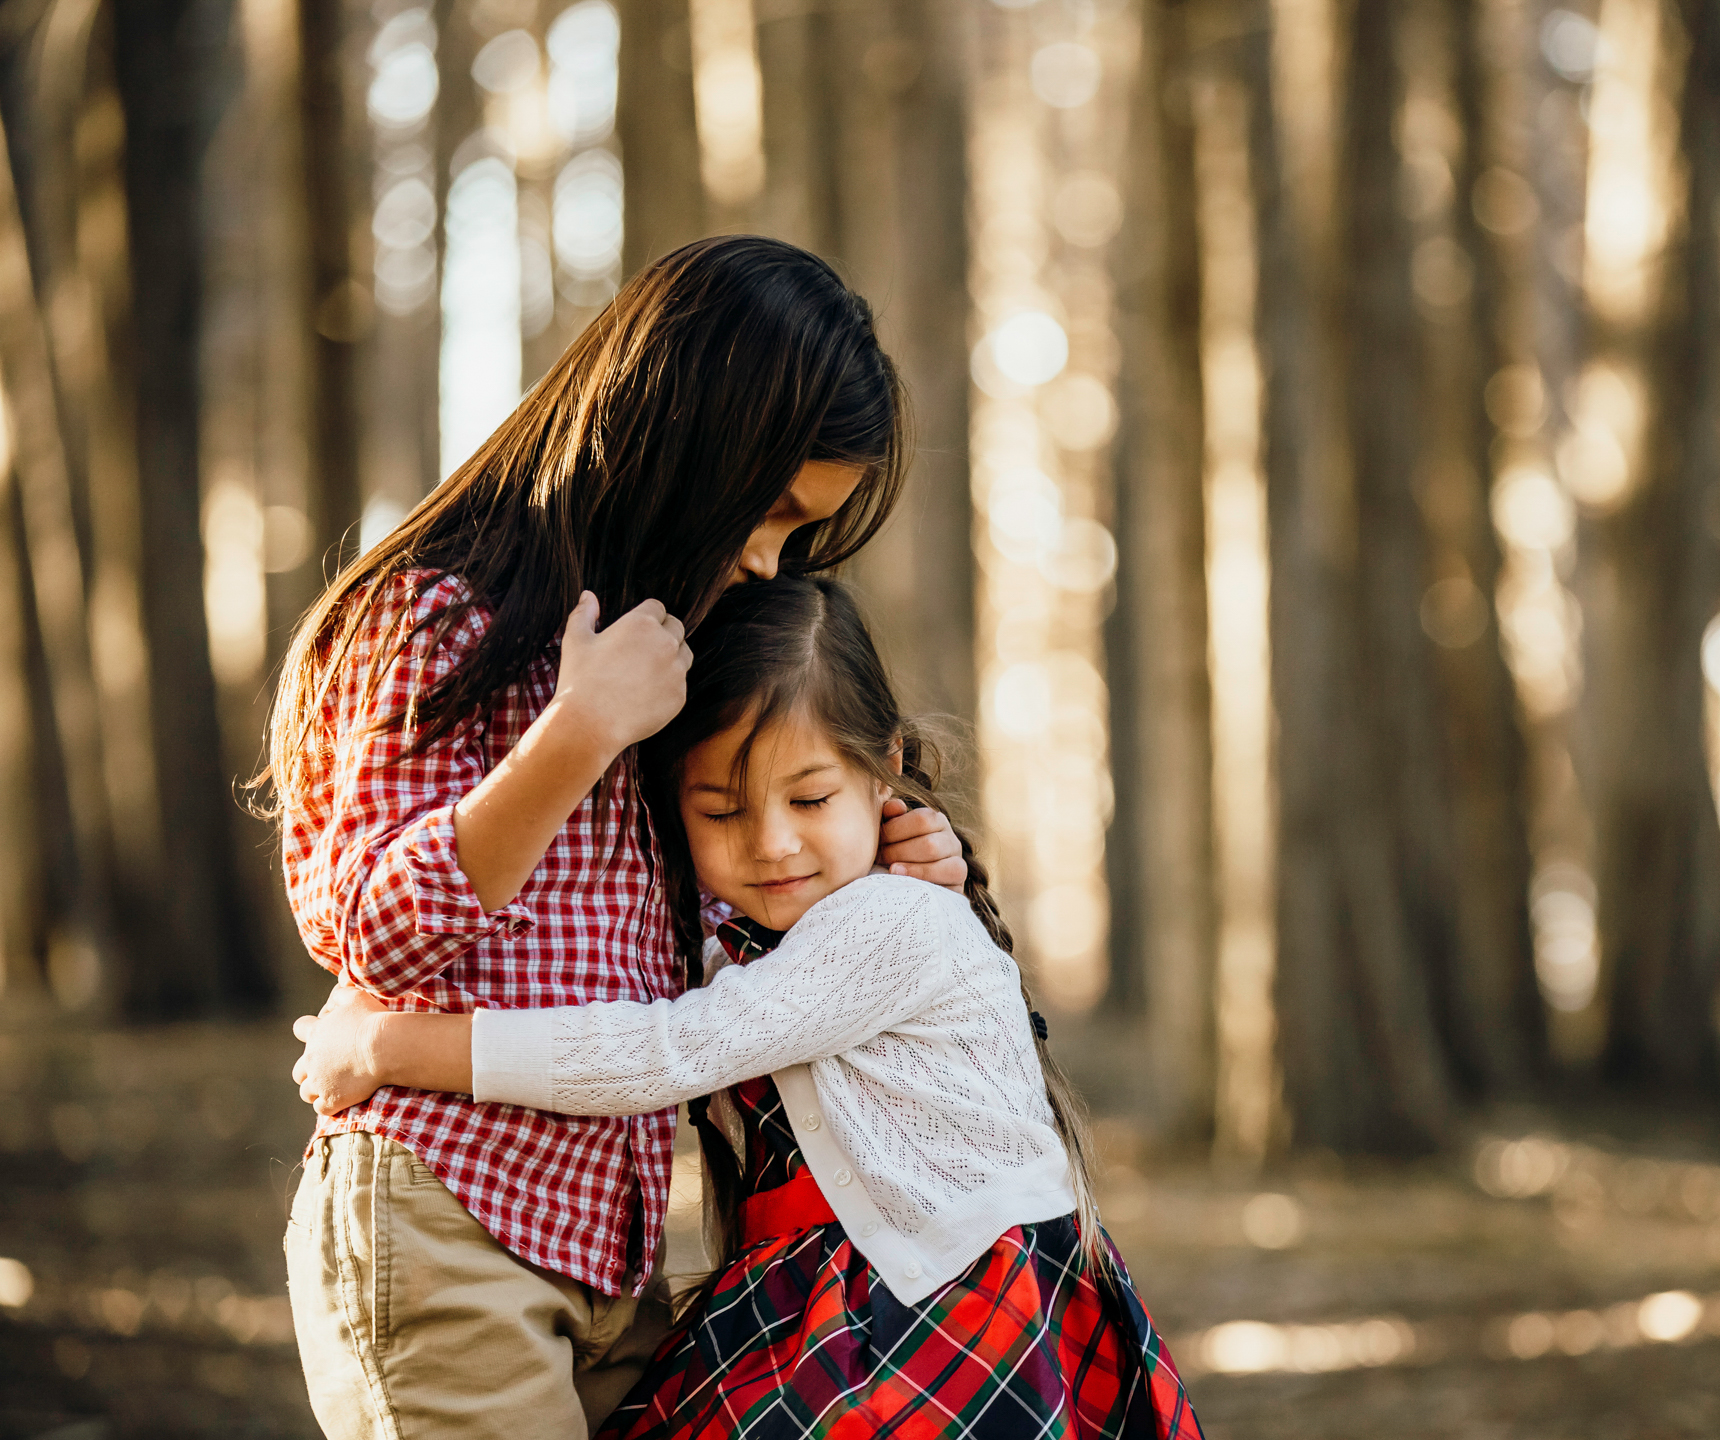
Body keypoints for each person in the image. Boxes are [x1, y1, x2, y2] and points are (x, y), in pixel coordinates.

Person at [262, 237, 967, 1439]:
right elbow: (369, 930)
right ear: (685, 442)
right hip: (448, 1217)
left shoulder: (674, 651)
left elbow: (709, 959)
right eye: (770, 513)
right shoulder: (445, 615)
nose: (766, 559)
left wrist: (885, 872)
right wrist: (572, 737)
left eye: (803, 539)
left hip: (614, 1260)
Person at [294, 575, 1203, 1439]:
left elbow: (660, 1052)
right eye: (721, 811)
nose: (771, 844)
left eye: (810, 797)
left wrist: (386, 1048)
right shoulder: (747, 947)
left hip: (946, 1315)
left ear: (884, 769)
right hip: (835, 1301)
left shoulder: (892, 919)